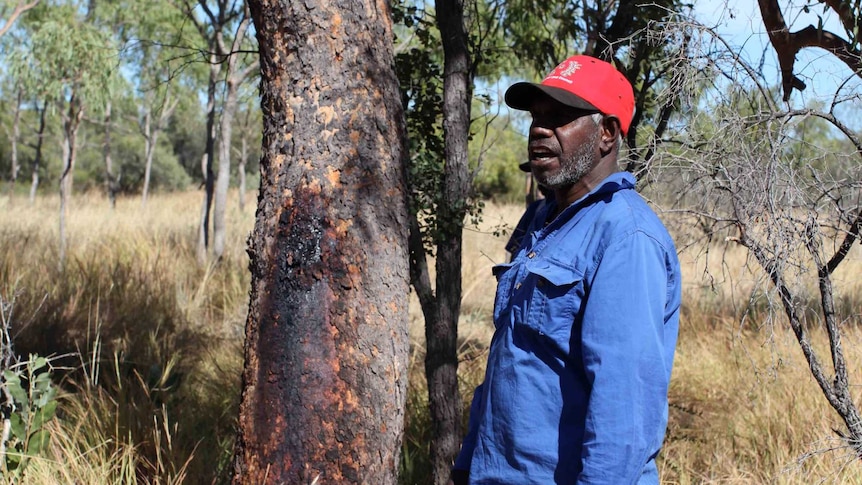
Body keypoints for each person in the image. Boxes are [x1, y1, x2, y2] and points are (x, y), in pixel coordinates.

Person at [451, 54, 682, 484]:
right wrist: (466, 465)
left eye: (559, 117)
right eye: (537, 116)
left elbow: (623, 414)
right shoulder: (541, 221)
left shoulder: (625, 238)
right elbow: (512, 358)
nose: (539, 129)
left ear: (607, 133)